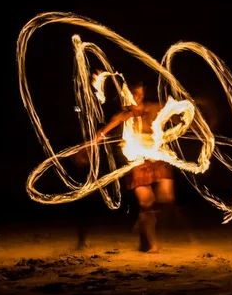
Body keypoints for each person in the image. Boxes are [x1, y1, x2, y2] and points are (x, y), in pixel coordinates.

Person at [76, 72, 184, 252]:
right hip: (138, 161)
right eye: (134, 94)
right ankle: (148, 240)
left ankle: (145, 223)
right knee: (146, 202)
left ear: (144, 92)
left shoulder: (156, 108)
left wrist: (191, 120)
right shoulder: (123, 115)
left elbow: (178, 119)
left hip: (157, 158)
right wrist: (89, 146)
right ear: (127, 94)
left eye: (140, 93)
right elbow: (103, 132)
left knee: (166, 198)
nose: (137, 97)